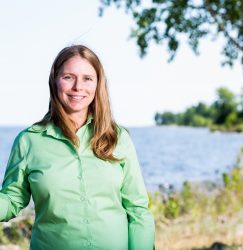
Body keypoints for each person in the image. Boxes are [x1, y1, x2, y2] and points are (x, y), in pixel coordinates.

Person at [0, 45, 155, 250]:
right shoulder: (29, 141)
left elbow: (138, 210)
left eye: (87, 78)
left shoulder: (118, 138)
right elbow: (12, 199)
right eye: (68, 77)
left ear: (98, 84)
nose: (78, 87)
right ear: (54, 81)